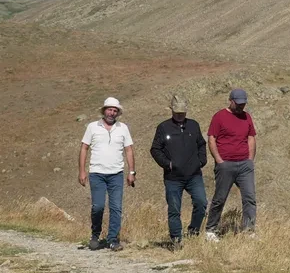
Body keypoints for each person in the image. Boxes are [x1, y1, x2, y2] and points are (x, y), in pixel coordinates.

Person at [149, 93, 208, 248]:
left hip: (194, 175)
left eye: (183, 112)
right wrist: (167, 164)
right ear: (172, 110)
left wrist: (202, 161)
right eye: (177, 112)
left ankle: (193, 232)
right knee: (174, 209)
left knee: (201, 203)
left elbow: (201, 144)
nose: (180, 115)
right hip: (173, 178)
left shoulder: (194, 125)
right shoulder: (163, 127)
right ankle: (176, 239)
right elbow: (155, 149)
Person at [78, 96, 135, 250]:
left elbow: (129, 149)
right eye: (110, 109)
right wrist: (82, 171)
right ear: (104, 111)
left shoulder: (123, 128)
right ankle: (95, 235)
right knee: (98, 206)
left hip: (116, 173)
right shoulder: (92, 127)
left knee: (116, 207)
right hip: (97, 173)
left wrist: (131, 172)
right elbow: (84, 148)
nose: (112, 113)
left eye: (115, 110)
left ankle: (112, 239)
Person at [204, 87, 257, 241]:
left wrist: (250, 159)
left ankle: (248, 230)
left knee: (249, 197)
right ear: (231, 101)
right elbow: (212, 138)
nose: (241, 106)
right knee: (220, 198)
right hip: (225, 164)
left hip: (244, 165)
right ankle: (210, 229)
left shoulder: (247, 117)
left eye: (243, 104)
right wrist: (219, 160)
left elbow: (251, 137)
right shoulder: (219, 117)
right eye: (238, 103)